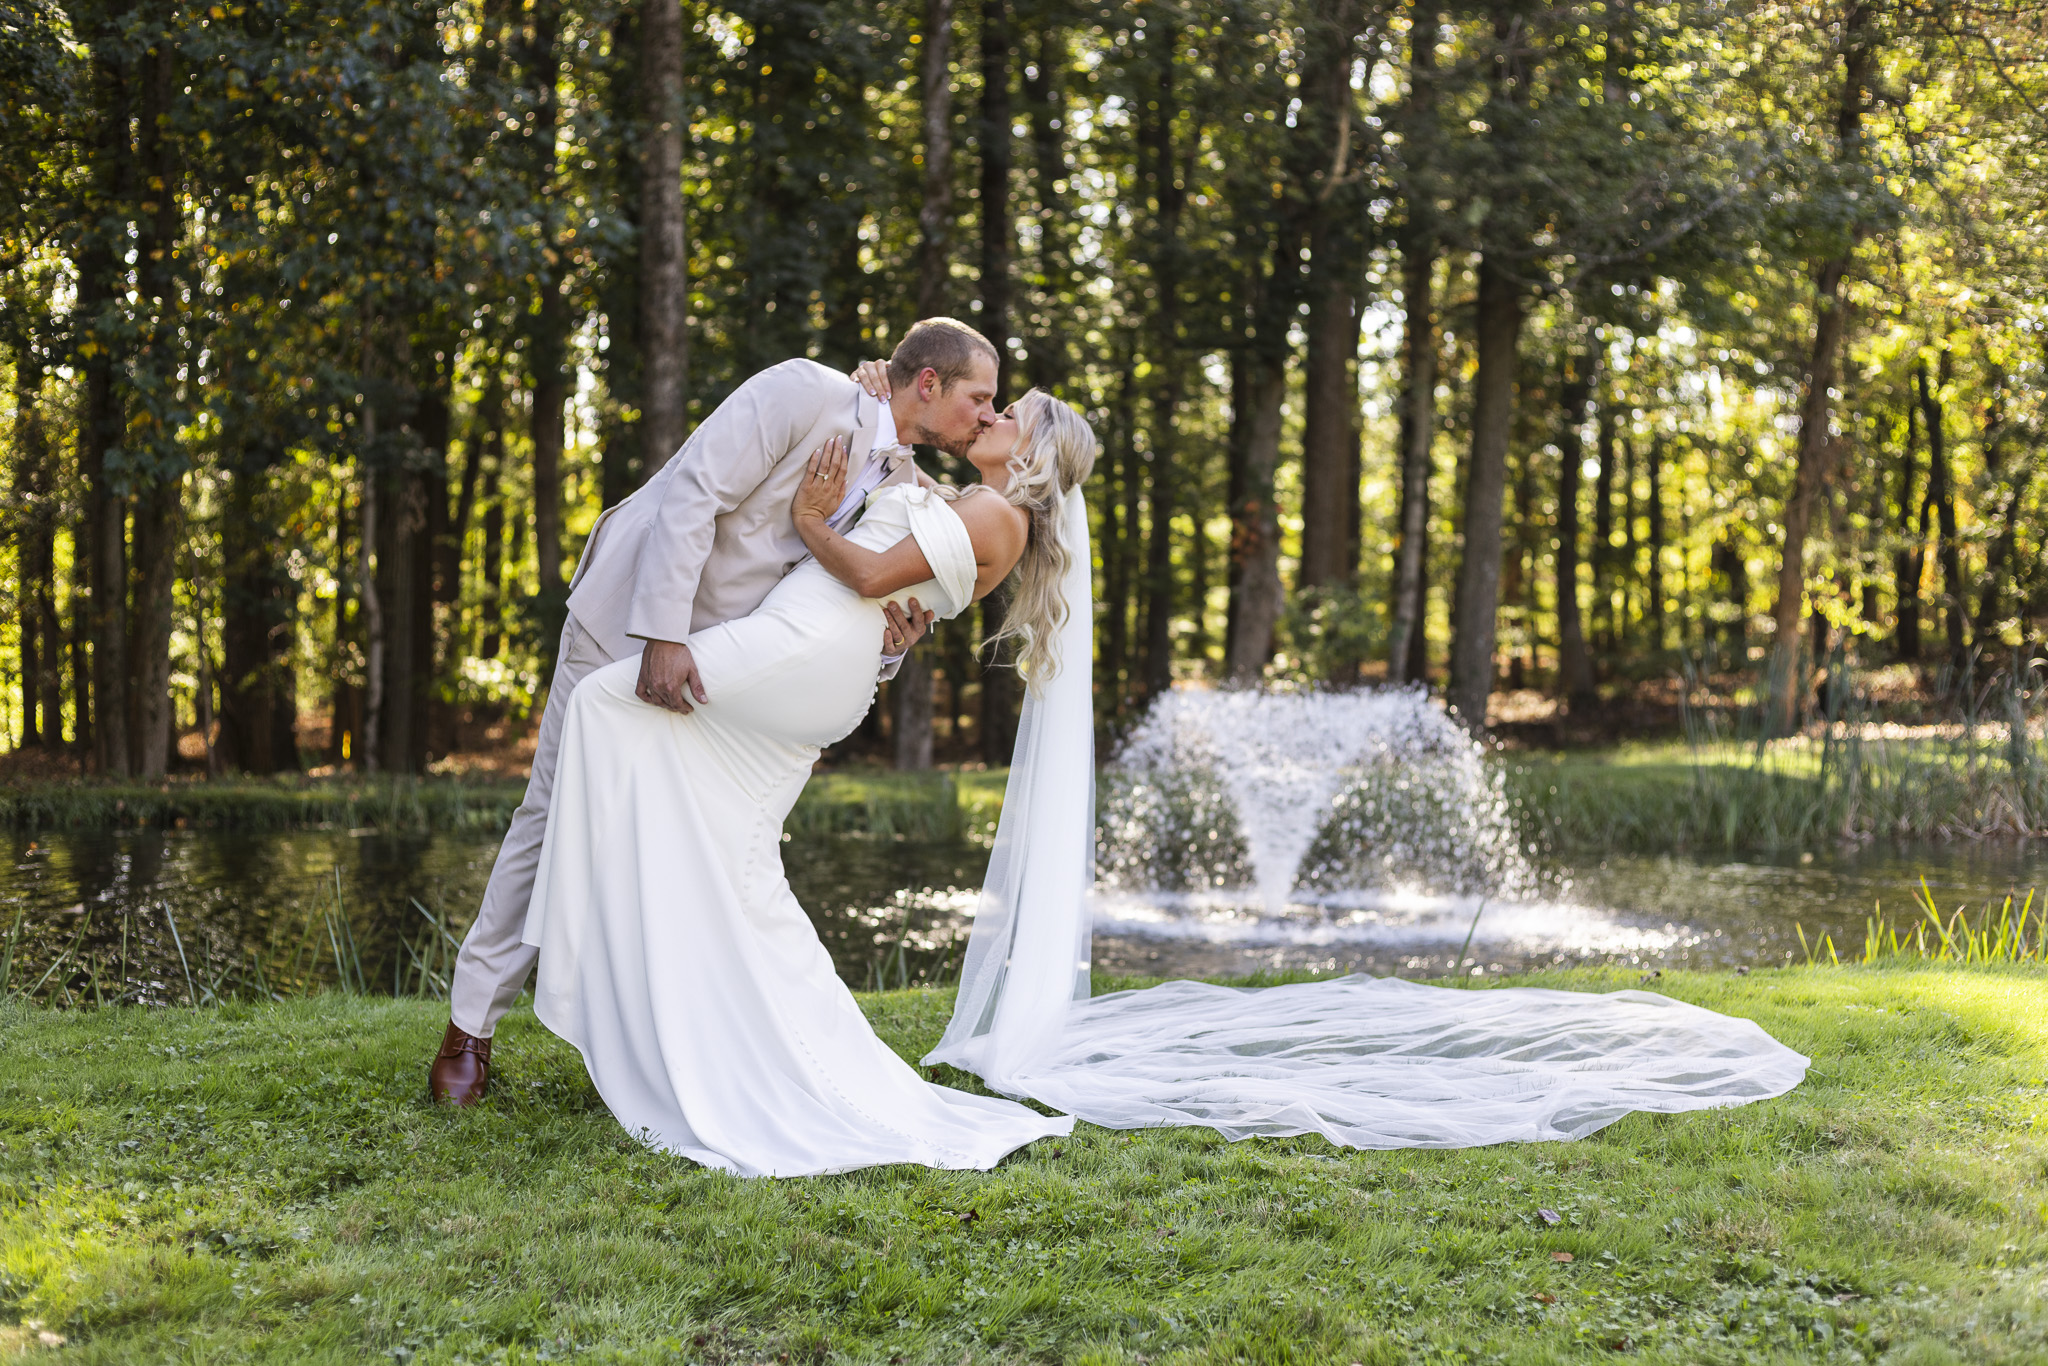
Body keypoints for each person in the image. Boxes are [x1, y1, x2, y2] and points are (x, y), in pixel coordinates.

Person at [520, 383, 1098, 1175]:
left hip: (809, 642)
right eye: (992, 403)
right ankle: (707, 1030)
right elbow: (898, 488)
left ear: (1032, 453)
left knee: (603, 704)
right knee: (739, 860)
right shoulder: (977, 502)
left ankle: (576, 945)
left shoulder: (1000, 517)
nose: (993, 417)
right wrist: (876, 388)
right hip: (815, 647)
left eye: (1011, 415)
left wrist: (809, 522)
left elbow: (867, 578)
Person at [428, 318, 1000, 1105]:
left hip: (725, 670)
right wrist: (661, 633)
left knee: (673, 841)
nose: (986, 416)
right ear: (928, 384)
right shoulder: (804, 390)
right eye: (980, 397)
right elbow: (695, 490)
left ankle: (641, 1038)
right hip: (631, 614)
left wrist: (894, 644)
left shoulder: (914, 492)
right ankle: (469, 1030)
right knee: (551, 810)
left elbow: (850, 601)